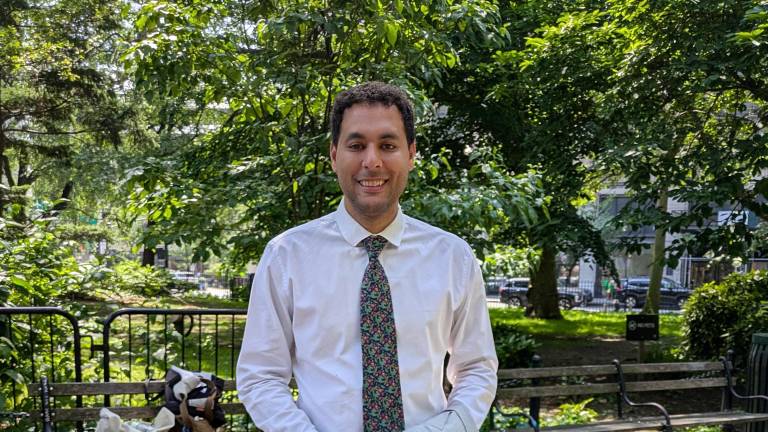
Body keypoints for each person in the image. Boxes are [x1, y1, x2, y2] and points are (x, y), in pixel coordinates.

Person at [236, 82, 498, 432]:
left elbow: (477, 368)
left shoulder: (453, 257)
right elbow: (261, 375)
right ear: (333, 155)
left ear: (411, 154)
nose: (371, 161)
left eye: (388, 145)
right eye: (356, 145)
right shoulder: (286, 256)